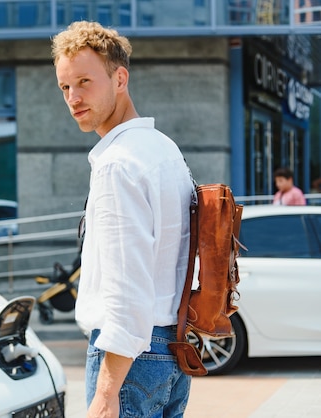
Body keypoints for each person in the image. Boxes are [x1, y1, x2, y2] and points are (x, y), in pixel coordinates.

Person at [52, 21, 195, 417]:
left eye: (84, 81)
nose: (73, 97)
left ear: (119, 78)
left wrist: (106, 391)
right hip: (171, 349)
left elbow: (128, 285)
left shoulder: (118, 164)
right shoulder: (165, 149)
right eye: (65, 86)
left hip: (129, 359)